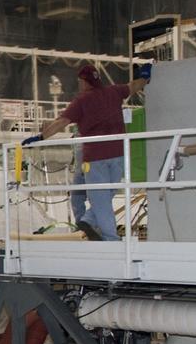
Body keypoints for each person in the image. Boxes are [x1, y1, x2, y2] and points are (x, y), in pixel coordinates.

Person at [32, 64, 148, 241]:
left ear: (83, 81)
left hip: (95, 158)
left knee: (100, 199)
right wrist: (146, 77)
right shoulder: (114, 92)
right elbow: (132, 86)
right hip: (119, 154)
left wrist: (40, 138)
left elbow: (61, 122)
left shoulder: (82, 101)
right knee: (107, 195)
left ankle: (109, 238)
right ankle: (88, 221)